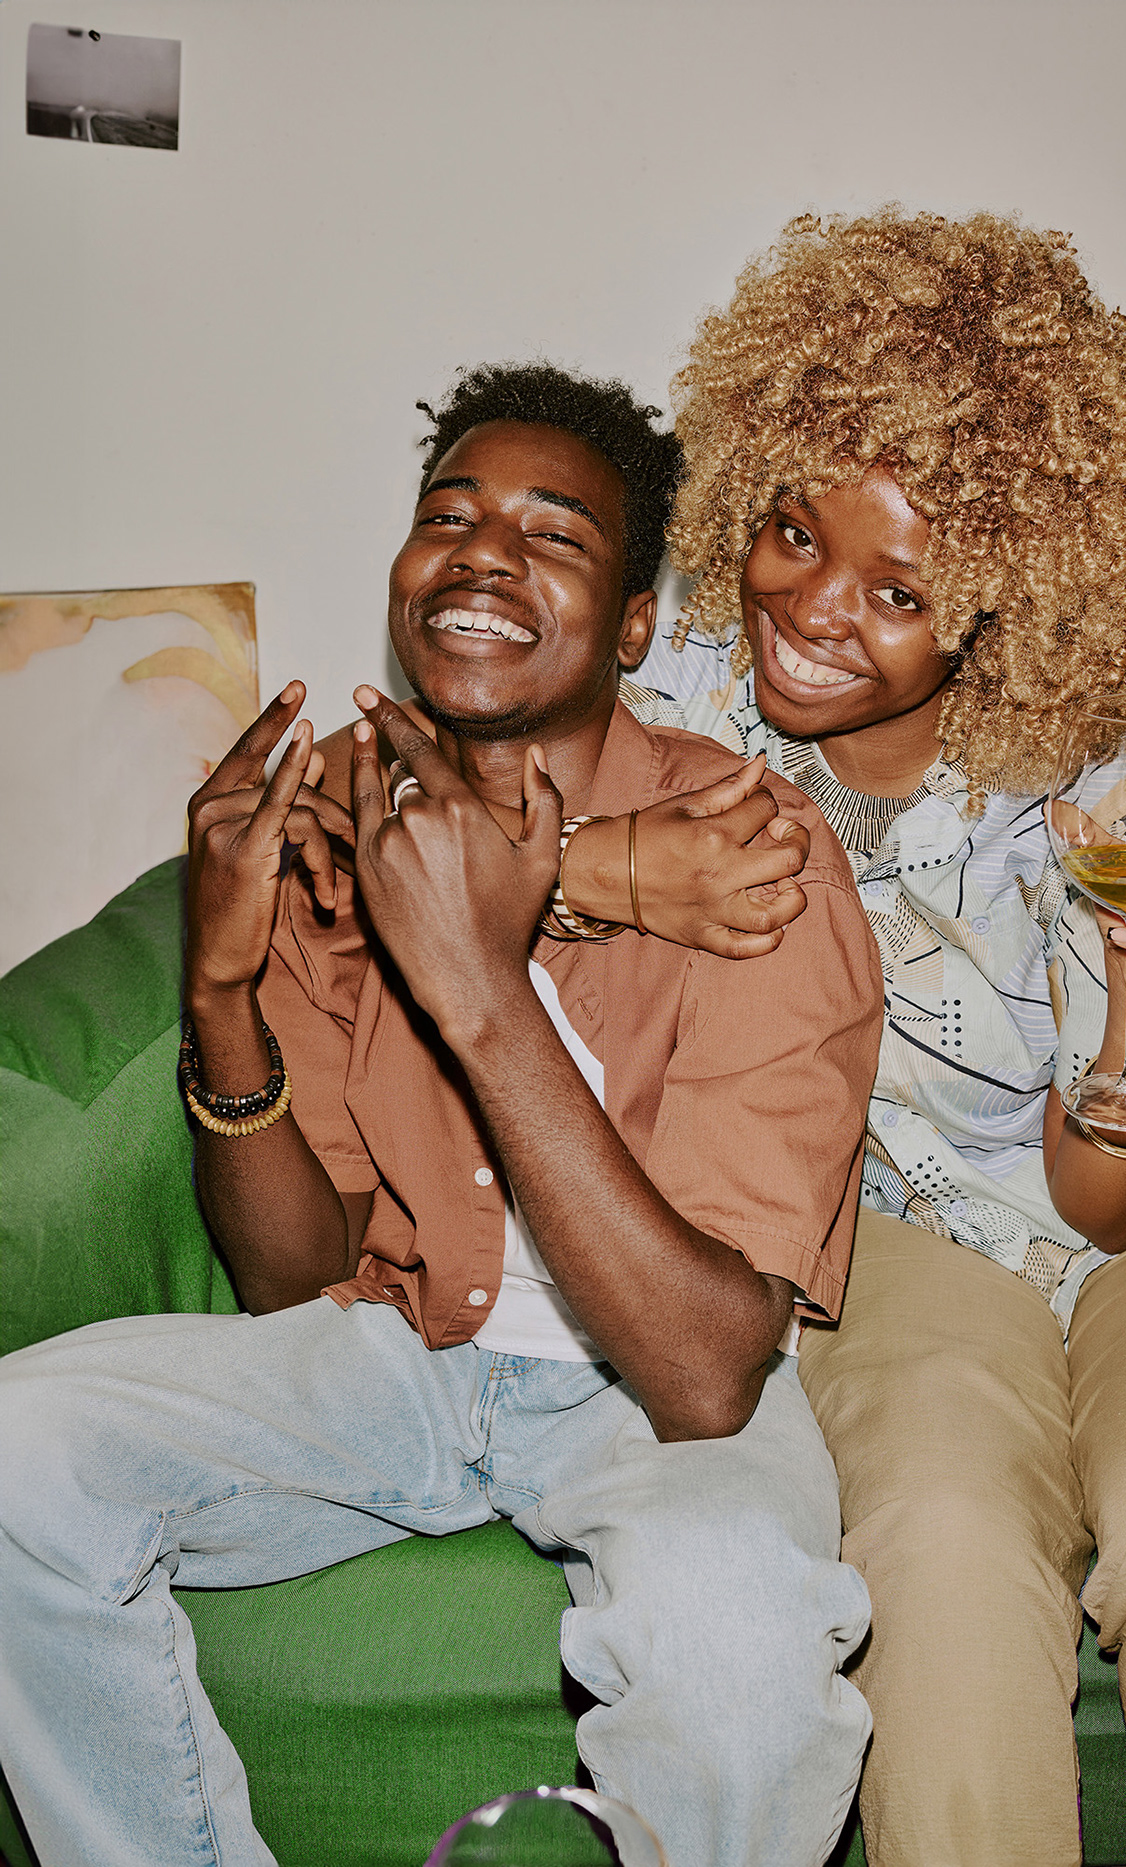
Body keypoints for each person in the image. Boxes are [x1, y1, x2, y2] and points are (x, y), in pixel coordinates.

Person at [0, 364, 882, 1867]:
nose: (483, 554)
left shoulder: (753, 846)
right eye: (448, 517)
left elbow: (707, 1368)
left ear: (635, 626)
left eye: (556, 534)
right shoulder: (336, 837)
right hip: (406, 1351)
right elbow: (294, 1280)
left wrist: (482, 981)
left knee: (736, 1635)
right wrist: (221, 992)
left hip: (650, 1381)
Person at [594, 213, 1126, 1867]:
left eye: (900, 586)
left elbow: (1111, 1205)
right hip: (895, 1234)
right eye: (792, 533)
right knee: (939, 1545)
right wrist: (611, 862)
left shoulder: (1120, 781)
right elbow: (464, 813)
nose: (813, 607)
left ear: (1009, 600)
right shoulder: (695, 709)